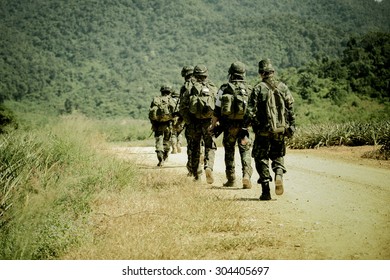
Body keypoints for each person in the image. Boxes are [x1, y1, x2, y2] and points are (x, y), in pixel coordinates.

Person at [244, 59, 296, 200]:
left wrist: (246, 126)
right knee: (278, 155)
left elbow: (250, 112)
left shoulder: (258, 88)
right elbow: (290, 108)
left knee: (261, 158)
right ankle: (278, 174)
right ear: (273, 72)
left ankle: (266, 191)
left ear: (261, 73)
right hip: (279, 130)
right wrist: (291, 126)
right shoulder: (283, 87)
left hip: (262, 131)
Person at [211, 61, 253, 189]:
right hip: (244, 128)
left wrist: (213, 126)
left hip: (228, 127)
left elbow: (216, 111)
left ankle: (231, 179)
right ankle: (246, 175)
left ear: (231, 74)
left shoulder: (224, 88)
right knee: (245, 151)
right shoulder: (249, 89)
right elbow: (253, 111)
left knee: (229, 151)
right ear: (243, 73)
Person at [179, 64, 217, 183]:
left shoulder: (190, 88)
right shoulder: (212, 87)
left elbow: (183, 107)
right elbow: (218, 107)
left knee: (194, 148)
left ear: (195, 75)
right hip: (208, 123)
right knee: (210, 146)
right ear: (206, 75)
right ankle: (208, 167)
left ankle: (197, 175)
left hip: (193, 124)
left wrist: (188, 121)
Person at [148, 84, 177, 167]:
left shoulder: (156, 99)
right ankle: (165, 156)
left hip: (157, 124)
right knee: (167, 142)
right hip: (168, 125)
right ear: (170, 92)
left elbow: (150, 113)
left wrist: (153, 123)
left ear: (161, 91)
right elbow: (176, 113)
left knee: (158, 141)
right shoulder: (171, 100)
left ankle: (160, 160)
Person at [170, 89, 183, 154]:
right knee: (180, 133)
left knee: (173, 134)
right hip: (180, 119)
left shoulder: (170, 100)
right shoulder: (181, 101)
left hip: (172, 119)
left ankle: (174, 147)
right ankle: (179, 144)